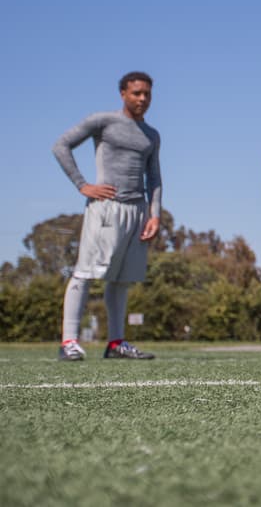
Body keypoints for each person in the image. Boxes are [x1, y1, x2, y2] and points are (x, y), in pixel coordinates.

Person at [52, 71, 162, 361]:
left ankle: (116, 343)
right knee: (85, 272)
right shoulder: (103, 121)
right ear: (123, 94)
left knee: (122, 279)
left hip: (137, 210)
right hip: (105, 208)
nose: (142, 99)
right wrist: (83, 185)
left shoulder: (151, 135)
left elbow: (154, 176)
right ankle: (69, 341)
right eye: (137, 93)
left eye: (147, 94)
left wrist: (155, 214)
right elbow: (61, 146)